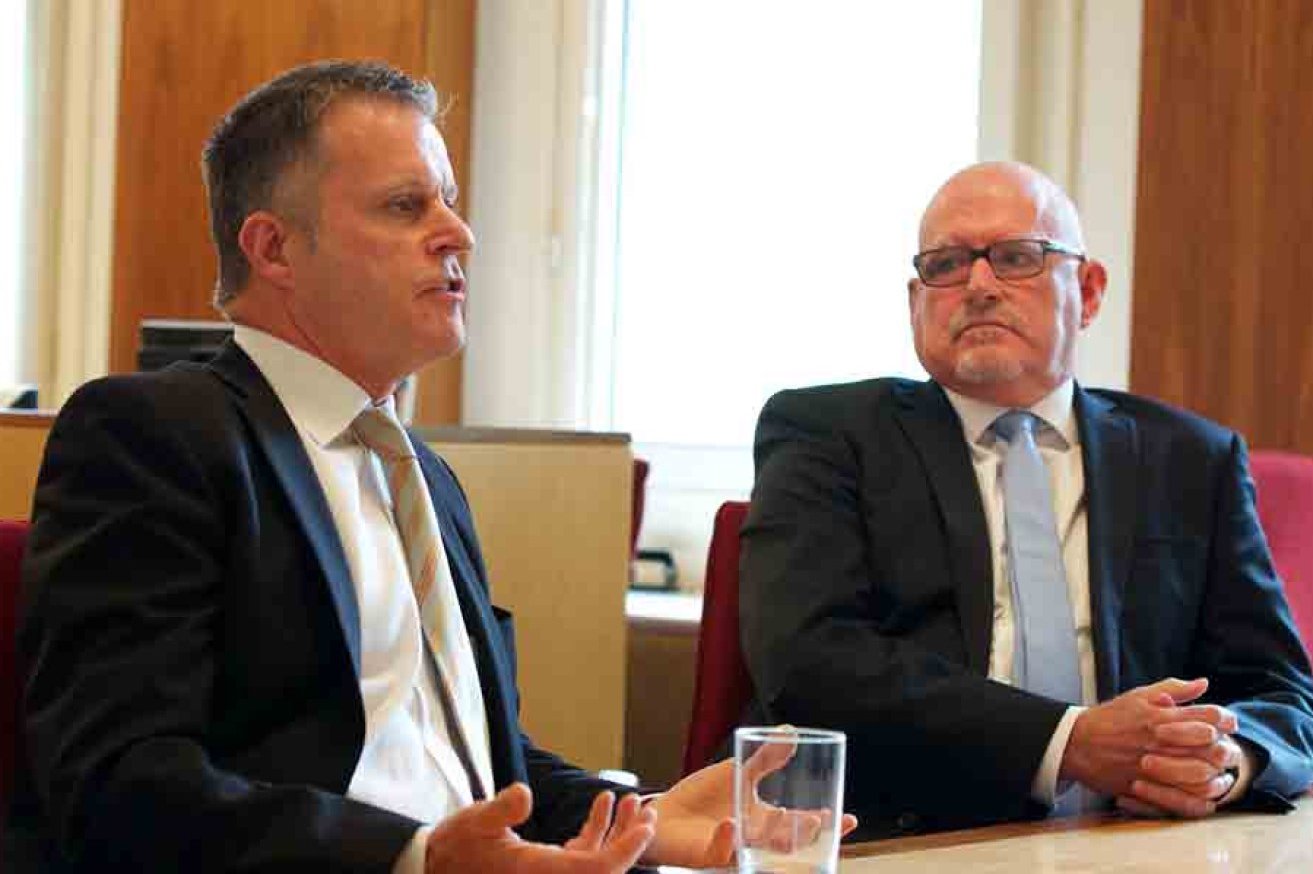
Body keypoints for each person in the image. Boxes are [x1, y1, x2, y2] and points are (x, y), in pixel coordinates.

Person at [5, 60, 851, 873]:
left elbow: (474, 763)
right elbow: (119, 783)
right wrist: (414, 859)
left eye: (446, 200)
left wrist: (640, 816)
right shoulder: (156, 434)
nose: (460, 233)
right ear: (273, 249)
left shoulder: (424, 477)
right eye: (406, 205)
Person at [739, 161, 1313, 840]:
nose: (978, 286)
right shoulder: (827, 433)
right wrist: (1067, 742)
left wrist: (1224, 759)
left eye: (1017, 258)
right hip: (895, 835)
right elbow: (808, 662)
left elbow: (1284, 694)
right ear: (914, 301)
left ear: (1089, 291)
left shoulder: (1188, 458)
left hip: (1131, 842)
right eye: (946, 265)